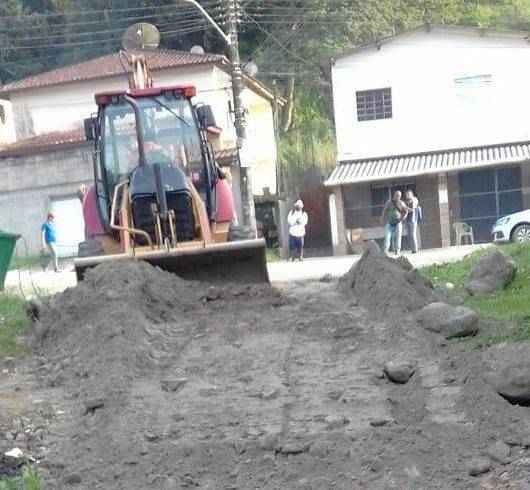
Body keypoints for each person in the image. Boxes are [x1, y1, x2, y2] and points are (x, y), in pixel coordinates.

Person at [381, 191, 408, 256]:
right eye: (396, 195)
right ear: (394, 195)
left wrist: (403, 217)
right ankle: (385, 251)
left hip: (398, 222)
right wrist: (382, 219)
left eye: (399, 195)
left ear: (400, 196)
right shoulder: (389, 202)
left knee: (398, 237)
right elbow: (384, 211)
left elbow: (406, 211)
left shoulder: (401, 203)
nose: (397, 196)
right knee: (387, 237)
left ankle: (397, 251)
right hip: (389, 222)